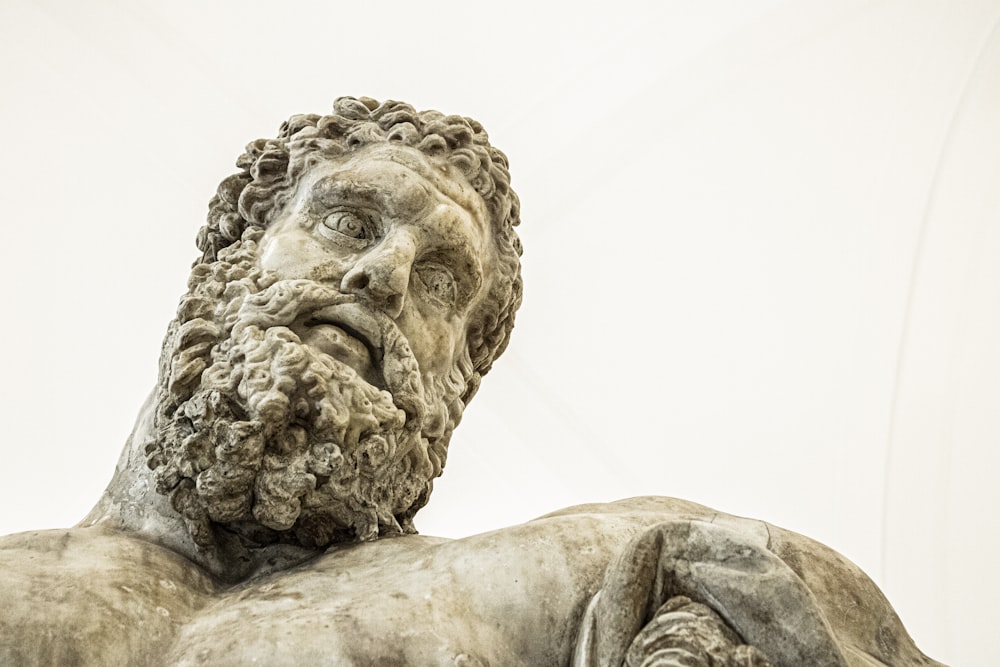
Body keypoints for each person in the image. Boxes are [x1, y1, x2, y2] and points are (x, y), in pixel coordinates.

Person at [0, 97, 943, 666]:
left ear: (456, 382)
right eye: (346, 223)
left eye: (444, 282)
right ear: (229, 260)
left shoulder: (551, 577)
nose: (385, 278)